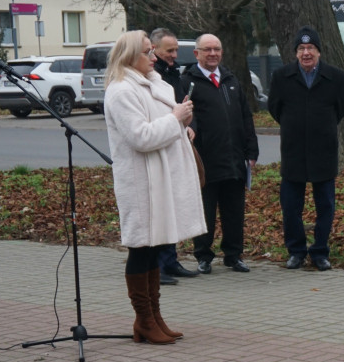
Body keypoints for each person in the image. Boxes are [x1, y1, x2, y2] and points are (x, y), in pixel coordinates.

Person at [103, 30, 206, 344]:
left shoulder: (155, 83)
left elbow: (164, 127)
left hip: (160, 178)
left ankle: (154, 317)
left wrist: (182, 124)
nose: (153, 56)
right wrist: (176, 119)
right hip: (140, 182)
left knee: (156, 247)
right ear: (130, 56)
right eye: (147, 51)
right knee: (141, 247)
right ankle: (144, 320)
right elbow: (141, 137)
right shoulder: (121, 90)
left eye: (152, 50)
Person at [269, 27, 344, 272]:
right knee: (291, 207)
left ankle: (320, 251)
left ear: (319, 52)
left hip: (323, 152)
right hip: (293, 152)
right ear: (295, 53)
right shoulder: (281, 76)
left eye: (311, 48)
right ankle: (296, 251)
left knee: (325, 206)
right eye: (301, 49)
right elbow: (274, 108)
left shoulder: (335, 77)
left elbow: (341, 108)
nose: (306, 53)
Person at [182, 34, 259, 274]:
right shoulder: (188, 82)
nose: (213, 54)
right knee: (205, 210)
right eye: (207, 49)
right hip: (205, 160)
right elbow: (186, 117)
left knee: (234, 211)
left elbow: (245, 116)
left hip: (234, 159)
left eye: (217, 49)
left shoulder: (231, 79)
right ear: (197, 54)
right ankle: (203, 256)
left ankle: (233, 255)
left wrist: (251, 150)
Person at [149, 27, 200, 284]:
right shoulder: (152, 77)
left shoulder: (173, 73)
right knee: (160, 209)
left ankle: (170, 261)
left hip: (177, 141)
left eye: (176, 49)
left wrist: (190, 125)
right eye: (170, 50)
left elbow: (184, 105)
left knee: (172, 206)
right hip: (159, 146)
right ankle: (157, 266)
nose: (175, 55)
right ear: (154, 49)